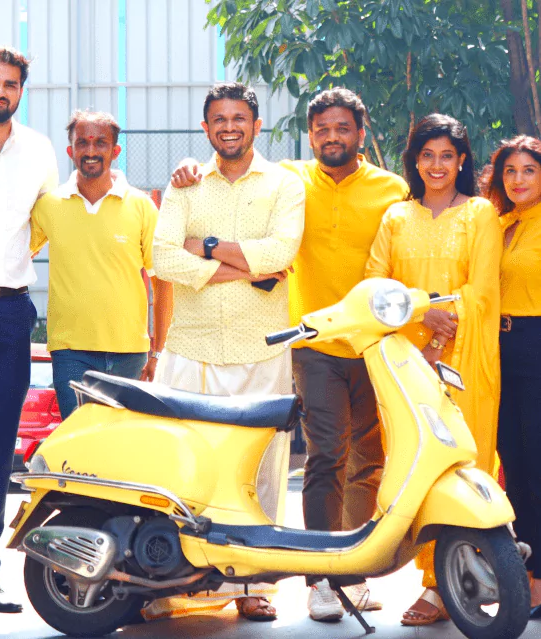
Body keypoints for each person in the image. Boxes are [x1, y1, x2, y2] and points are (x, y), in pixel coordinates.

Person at [170, 87, 408, 621]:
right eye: (321, 129)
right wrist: (189, 167)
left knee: (369, 461)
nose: (331, 137)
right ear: (310, 135)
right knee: (326, 455)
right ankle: (321, 579)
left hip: (375, 344)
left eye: (342, 128)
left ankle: (353, 574)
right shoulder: (291, 180)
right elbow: (234, 171)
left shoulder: (392, 190)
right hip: (314, 340)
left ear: (360, 133)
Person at [150, 82, 305, 622]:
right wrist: (242, 269)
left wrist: (206, 247)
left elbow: (281, 253)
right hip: (189, 348)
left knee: (261, 470)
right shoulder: (186, 184)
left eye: (239, 118)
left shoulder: (284, 184)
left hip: (260, 349)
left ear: (256, 126)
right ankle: (176, 582)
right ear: (205, 127)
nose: (230, 126)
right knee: (180, 469)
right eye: (219, 118)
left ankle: (254, 585)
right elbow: (162, 258)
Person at [366, 113, 502, 626]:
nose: (437, 165)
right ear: (415, 160)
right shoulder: (396, 217)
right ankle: (435, 576)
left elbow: (484, 290)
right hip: (405, 361)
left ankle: (444, 585)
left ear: (462, 160)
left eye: (447, 155)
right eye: (427, 155)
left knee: (465, 463)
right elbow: (375, 286)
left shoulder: (481, 215)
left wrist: (445, 326)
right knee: (414, 465)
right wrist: (424, 316)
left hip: (465, 358)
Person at [0, 45, 58, 613]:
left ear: (21, 92)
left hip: (9, 314)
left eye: (10, 84)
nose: (0, 91)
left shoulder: (38, 150)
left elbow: (52, 218)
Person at [30, 110, 172, 419]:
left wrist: (157, 351)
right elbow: (15, 252)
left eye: (100, 143)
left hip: (130, 355)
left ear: (115, 150)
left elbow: (162, 281)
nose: (91, 151)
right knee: (79, 444)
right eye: (82, 143)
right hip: (71, 353)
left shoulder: (141, 207)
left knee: (122, 445)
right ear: (71, 151)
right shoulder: (49, 207)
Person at [480, 135, 541, 617]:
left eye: (529, 170)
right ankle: (525, 575)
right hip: (497, 348)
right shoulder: (499, 223)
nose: (518, 180)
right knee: (513, 465)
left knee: (537, 465)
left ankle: (539, 581)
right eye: (510, 172)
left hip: (536, 344)